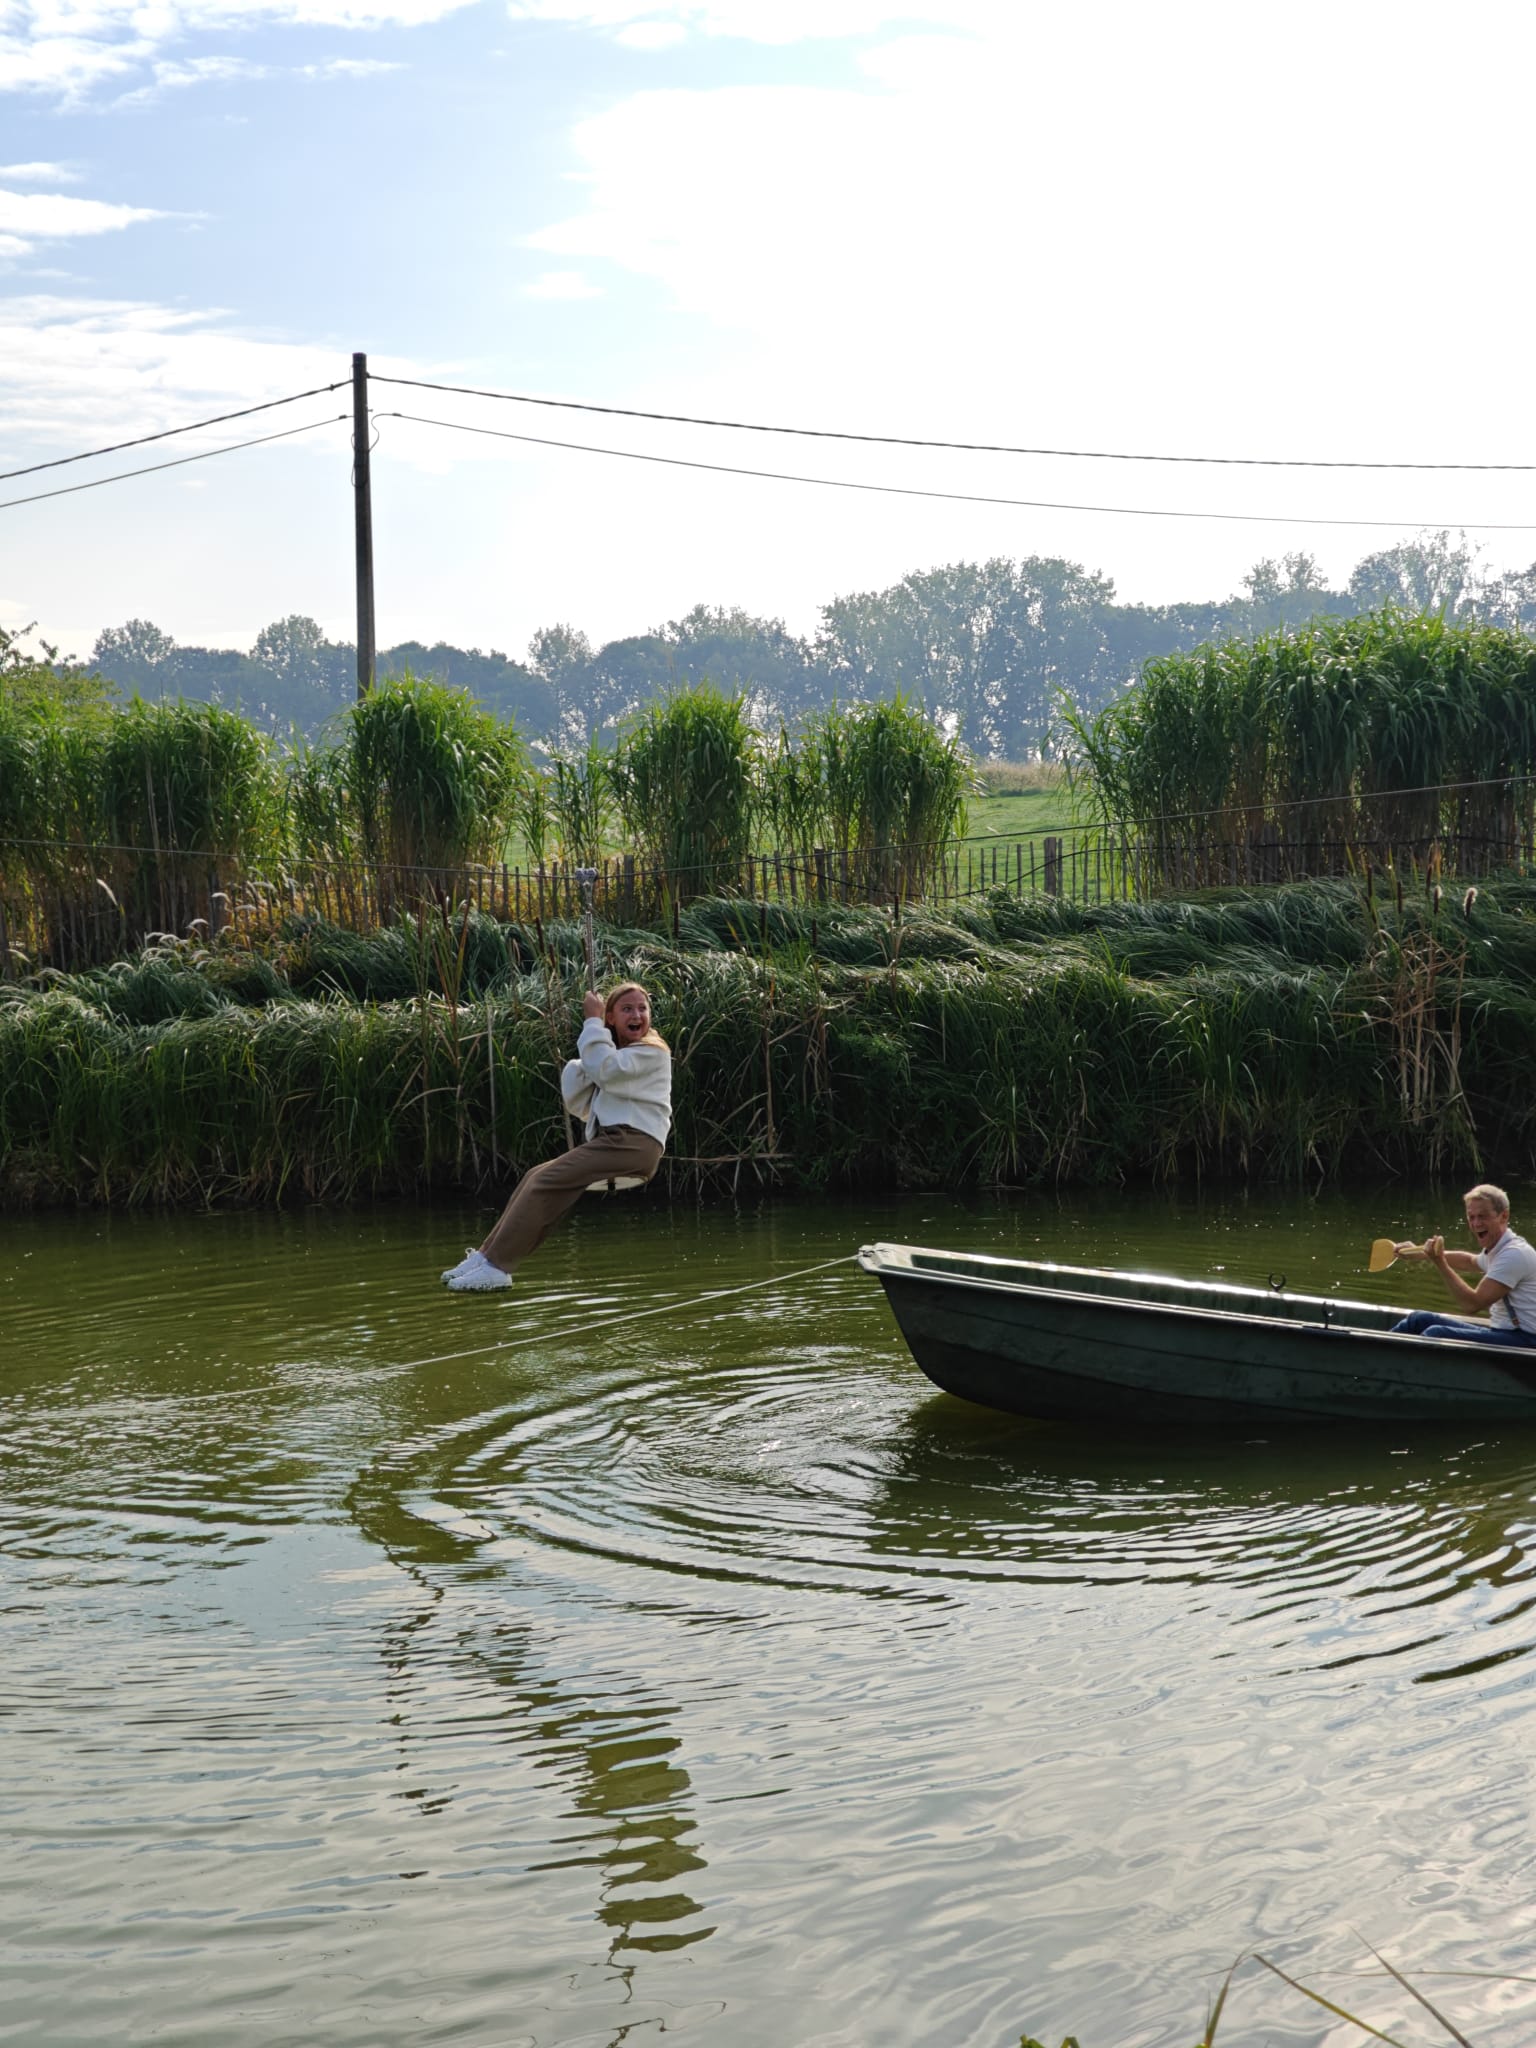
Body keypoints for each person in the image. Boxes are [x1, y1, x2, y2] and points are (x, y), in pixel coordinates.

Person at [441, 981, 671, 1293]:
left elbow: (605, 1070)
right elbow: (579, 1102)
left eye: (642, 1008)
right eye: (627, 1009)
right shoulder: (617, 1055)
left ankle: (498, 1267)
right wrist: (592, 1047)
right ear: (612, 1018)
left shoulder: (652, 1051)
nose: (637, 1015)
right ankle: (485, 1257)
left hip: (635, 1143)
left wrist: (592, 1023)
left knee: (543, 1182)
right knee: (534, 1176)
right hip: (614, 1141)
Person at [1389, 1183, 1536, 1346]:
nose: (1476, 1223)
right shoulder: (1499, 1248)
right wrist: (1421, 1254)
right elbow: (1468, 1261)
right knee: (1419, 1319)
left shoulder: (1514, 1254)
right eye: (1471, 1217)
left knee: (1436, 1334)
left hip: (1526, 1340)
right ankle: (1379, 1353)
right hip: (1504, 1333)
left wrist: (1440, 1262)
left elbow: (1471, 1305)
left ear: (1504, 1216)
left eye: (1483, 1216)